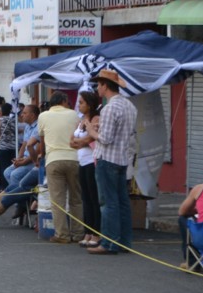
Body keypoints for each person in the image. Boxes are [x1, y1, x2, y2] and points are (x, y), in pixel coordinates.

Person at [86, 69, 138, 255]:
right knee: (122, 202)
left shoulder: (109, 108)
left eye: (99, 85)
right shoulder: (130, 106)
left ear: (105, 86)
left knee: (108, 202)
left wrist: (91, 130)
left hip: (107, 159)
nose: (97, 89)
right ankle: (124, 242)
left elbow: (105, 139)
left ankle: (109, 243)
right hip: (122, 158)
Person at [37, 91, 83, 245]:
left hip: (53, 160)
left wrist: (42, 156)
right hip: (74, 159)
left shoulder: (43, 116)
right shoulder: (75, 115)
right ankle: (78, 233)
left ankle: (62, 234)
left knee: (58, 200)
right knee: (76, 199)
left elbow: (42, 140)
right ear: (64, 101)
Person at [70, 90, 102, 248]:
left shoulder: (96, 119)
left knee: (93, 198)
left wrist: (79, 141)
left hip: (91, 162)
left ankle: (97, 233)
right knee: (86, 200)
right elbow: (72, 140)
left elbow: (88, 139)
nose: (79, 105)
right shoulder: (80, 120)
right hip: (81, 162)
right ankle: (88, 231)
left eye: (81, 102)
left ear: (90, 104)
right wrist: (78, 141)